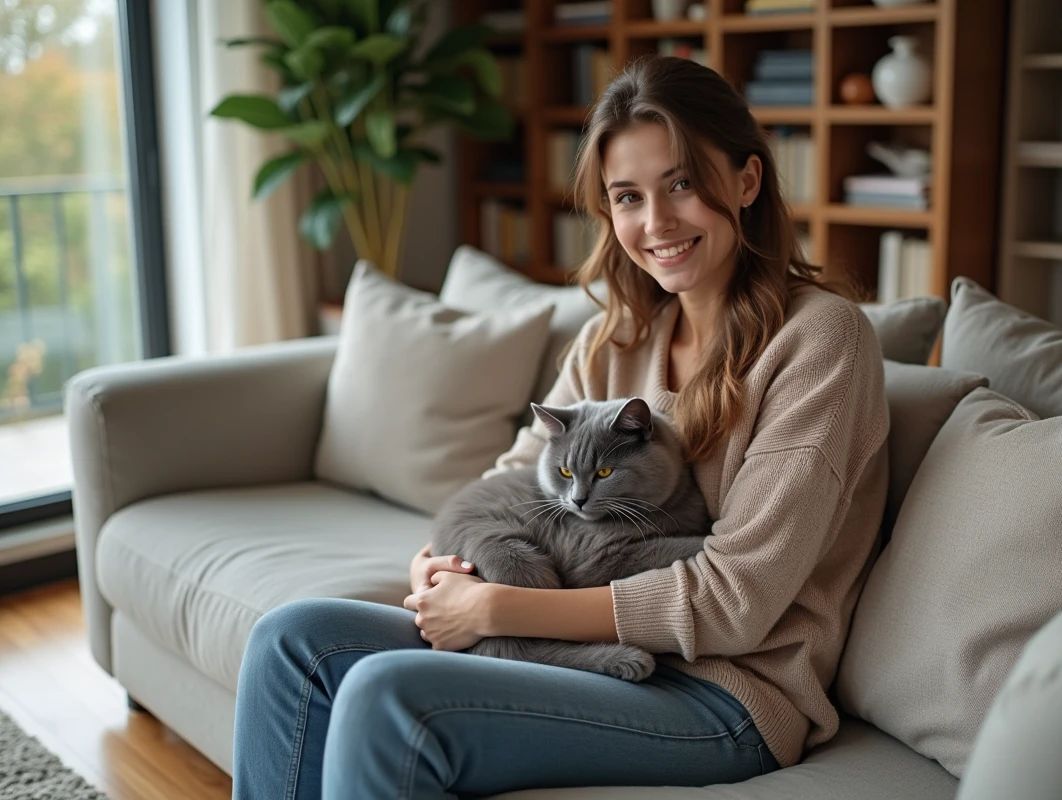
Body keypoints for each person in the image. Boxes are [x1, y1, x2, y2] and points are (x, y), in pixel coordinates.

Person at [230, 55, 889, 799]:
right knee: (292, 641)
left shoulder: (821, 341)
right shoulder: (616, 340)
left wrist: (496, 607)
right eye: (628, 196)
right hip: (574, 639)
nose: (657, 222)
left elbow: (734, 603)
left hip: (725, 693)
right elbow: (511, 483)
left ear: (746, 180)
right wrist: (433, 569)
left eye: (682, 183)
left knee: (391, 697)